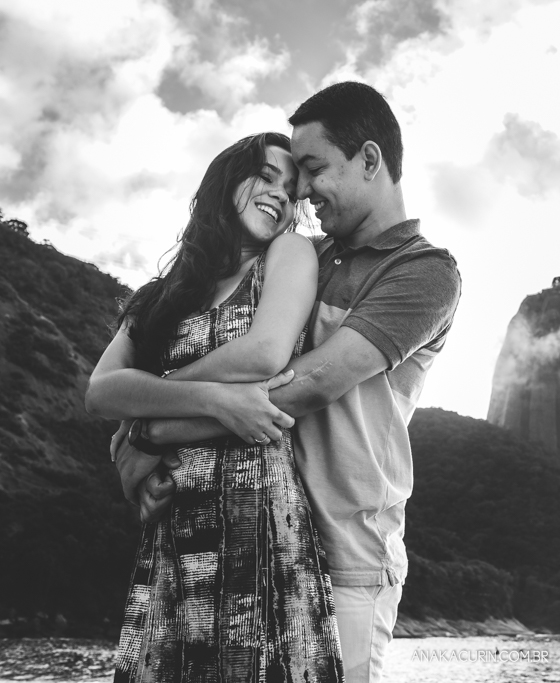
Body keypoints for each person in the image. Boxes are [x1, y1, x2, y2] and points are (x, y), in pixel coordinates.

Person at [111, 81, 462, 683]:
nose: (299, 190)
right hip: (259, 537)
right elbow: (233, 364)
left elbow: (306, 385)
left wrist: (145, 430)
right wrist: (141, 433)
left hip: (347, 555)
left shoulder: (423, 271)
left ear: (370, 160)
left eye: (313, 168)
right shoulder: (298, 256)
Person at [85, 132, 343, 683]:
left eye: (291, 189)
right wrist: (213, 399)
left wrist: (147, 413)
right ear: (226, 182)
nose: (280, 194)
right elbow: (102, 390)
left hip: (257, 514)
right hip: (174, 525)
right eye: (266, 176)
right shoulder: (164, 294)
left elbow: (265, 351)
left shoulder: (288, 252)